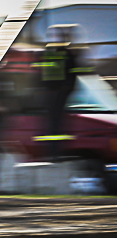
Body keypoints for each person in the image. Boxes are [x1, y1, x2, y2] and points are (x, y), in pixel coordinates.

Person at [36, 25, 92, 159]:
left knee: (55, 124)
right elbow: (77, 70)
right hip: (58, 93)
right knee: (55, 124)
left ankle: (54, 151)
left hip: (57, 93)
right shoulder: (62, 53)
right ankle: (54, 152)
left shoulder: (54, 52)